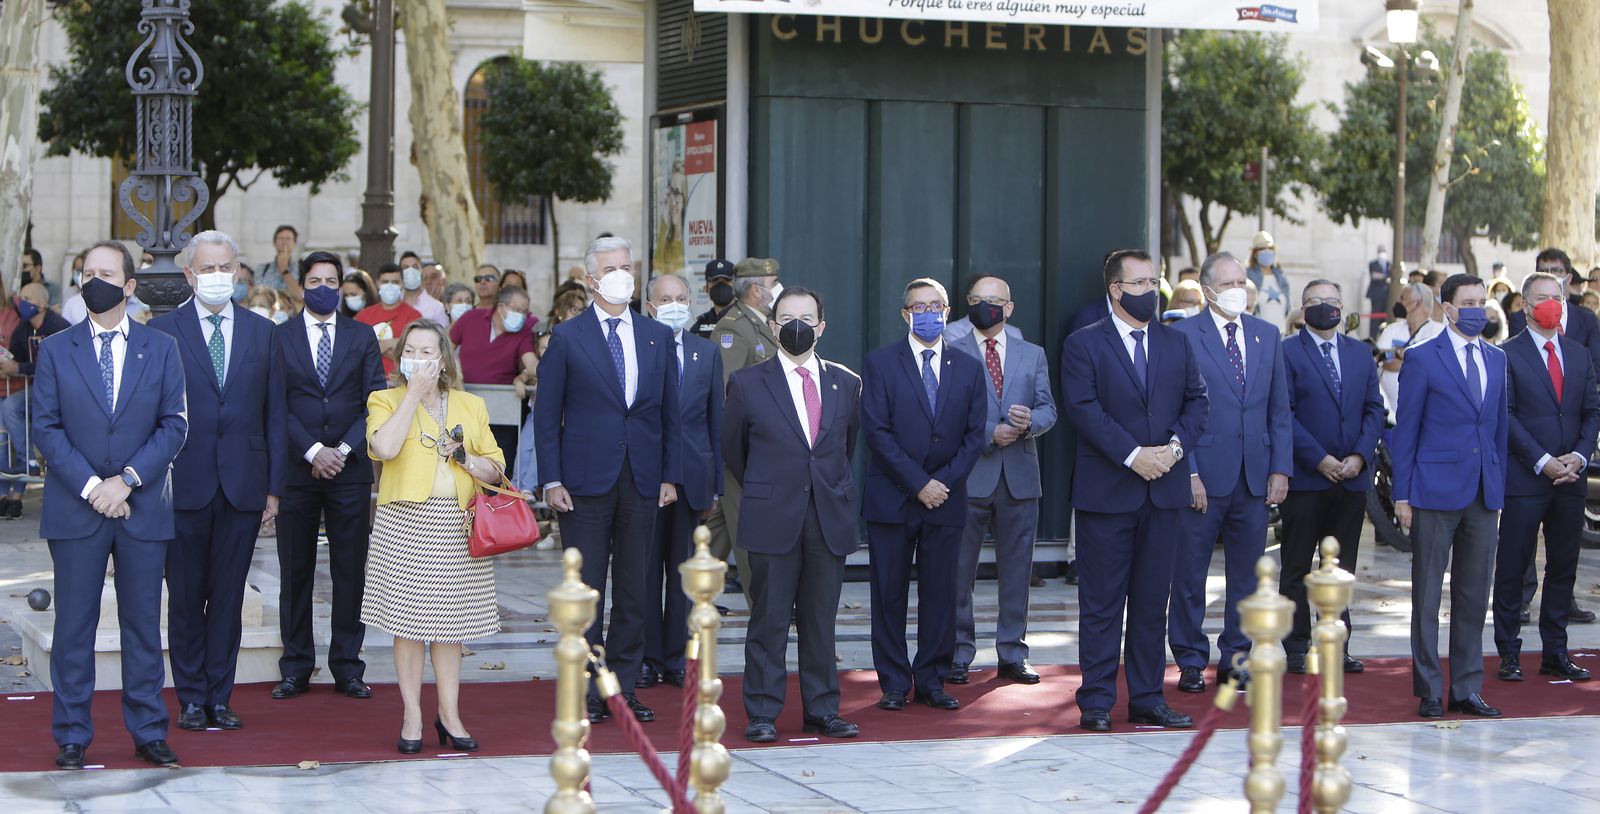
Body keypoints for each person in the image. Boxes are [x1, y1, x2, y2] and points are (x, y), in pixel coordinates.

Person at [32, 240, 188, 769]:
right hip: (76, 510)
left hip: (142, 505)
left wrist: (125, 481)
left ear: (128, 286)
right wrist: (93, 488)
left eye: (105, 273)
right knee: (74, 625)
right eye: (86, 272)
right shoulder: (55, 348)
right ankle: (72, 735)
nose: (93, 280)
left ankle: (148, 731)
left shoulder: (161, 347)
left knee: (142, 625)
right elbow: (46, 428)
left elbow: (174, 425)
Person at [533, 235, 680, 725]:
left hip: (642, 480)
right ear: (592, 278)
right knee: (589, 590)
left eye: (628, 266)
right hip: (582, 484)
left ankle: (623, 686)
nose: (624, 274)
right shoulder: (568, 338)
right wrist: (551, 479)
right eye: (613, 267)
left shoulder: (656, 337)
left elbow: (670, 415)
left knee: (637, 589)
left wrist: (670, 476)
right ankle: (589, 688)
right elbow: (546, 415)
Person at [1061, 249, 1207, 732]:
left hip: (1164, 493)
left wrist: (1173, 451)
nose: (1151, 290)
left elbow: (1197, 403)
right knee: (1101, 605)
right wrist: (1133, 455)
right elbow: (1084, 409)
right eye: (1140, 282)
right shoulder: (1084, 344)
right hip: (1108, 494)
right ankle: (1097, 702)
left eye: (1155, 280)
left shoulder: (1176, 342)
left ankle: (1147, 697)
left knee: (1151, 603)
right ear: (1116, 290)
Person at [149, 230, 286, 732]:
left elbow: (276, 414)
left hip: (244, 485)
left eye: (225, 267)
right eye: (207, 269)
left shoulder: (263, 332)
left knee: (229, 596)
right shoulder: (162, 331)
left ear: (239, 270)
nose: (217, 276)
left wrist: (274, 488)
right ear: (189, 275)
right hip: (182, 482)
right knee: (185, 597)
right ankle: (189, 697)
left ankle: (219, 696)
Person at [724, 286, 861, 742]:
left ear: (821, 326)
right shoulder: (746, 383)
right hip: (771, 515)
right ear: (773, 324)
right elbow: (735, 452)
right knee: (770, 619)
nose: (796, 326)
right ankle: (762, 712)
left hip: (827, 517)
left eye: (806, 317)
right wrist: (769, 490)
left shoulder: (847, 382)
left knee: (821, 619)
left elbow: (845, 447)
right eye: (787, 318)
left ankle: (823, 708)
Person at [365, 320, 505, 753]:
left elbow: (497, 468)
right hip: (403, 523)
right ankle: (412, 715)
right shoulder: (384, 399)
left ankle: (450, 714)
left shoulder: (470, 404)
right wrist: (411, 396)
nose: (420, 358)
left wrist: (464, 457)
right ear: (399, 357)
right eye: (412, 350)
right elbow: (383, 449)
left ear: (443, 359)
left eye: (428, 351)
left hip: (456, 524)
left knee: (450, 627)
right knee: (406, 626)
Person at [861, 278, 986, 713]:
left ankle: (932, 678)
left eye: (936, 305)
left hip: (947, 500)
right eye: (919, 306)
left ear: (948, 311)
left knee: (940, 594)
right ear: (905, 314)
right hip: (893, 499)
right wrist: (918, 483)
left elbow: (974, 435)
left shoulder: (969, 367)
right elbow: (876, 431)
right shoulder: (879, 364)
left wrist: (941, 484)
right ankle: (894, 682)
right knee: (888, 594)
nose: (928, 313)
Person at [1168, 252, 1291, 693]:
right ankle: (1188, 658)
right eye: (1228, 282)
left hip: (1254, 477)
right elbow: (1174, 413)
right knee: (1189, 574)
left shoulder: (1266, 335)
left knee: (1247, 576)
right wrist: (1190, 473)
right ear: (1206, 291)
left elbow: (1279, 409)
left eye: (1242, 279)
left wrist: (1281, 468)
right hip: (1202, 476)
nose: (1239, 287)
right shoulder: (1181, 335)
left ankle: (1235, 658)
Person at [271, 250, 387, 703]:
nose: (323, 288)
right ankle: (296, 666)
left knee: (349, 570)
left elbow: (374, 401)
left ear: (341, 286)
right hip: (297, 471)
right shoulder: (278, 338)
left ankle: (347, 666)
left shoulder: (361, 338)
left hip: (349, 468)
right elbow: (276, 403)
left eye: (331, 281)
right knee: (295, 570)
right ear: (301, 286)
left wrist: (340, 449)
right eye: (315, 280)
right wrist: (312, 450)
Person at [1391, 273, 1507, 719]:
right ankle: (1429, 688)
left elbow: (1497, 430)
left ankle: (1466, 686)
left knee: (1474, 594)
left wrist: (1499, 490)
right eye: (1469, 302)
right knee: (1426, 595)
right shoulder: (1423, 358)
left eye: (1483, 301)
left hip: (1482, 492)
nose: (1477, 308)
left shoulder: (1496, 359)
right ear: (1448, 306)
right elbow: (1407, 432)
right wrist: (1403, 496)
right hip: (1433, 491)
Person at [947, 275, 1056, 687]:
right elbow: (948, 413)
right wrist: (989, 431)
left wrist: (1030, 425)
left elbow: (1049, 408)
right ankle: (959, 652)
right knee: (959, 572)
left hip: (1020, 478)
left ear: (1009, 308)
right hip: (970, 476)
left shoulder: (1033, 354)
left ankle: (1013, 653)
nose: (986, 307)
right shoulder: (952, 352)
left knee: (1018, 572)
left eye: (994, 301)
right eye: (977, 300)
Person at [1494, 271, 1599, 686]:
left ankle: (1556, 651)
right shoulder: (1507, 354)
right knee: (1513, 566)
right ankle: (1508, 653)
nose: (1553, 304)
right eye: (1543, 297)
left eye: (1558, 296)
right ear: (1526, 305)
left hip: (1571, 480)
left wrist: (1576, 456)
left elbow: (1591, 410)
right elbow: (1506, 414)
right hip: (1526, 478)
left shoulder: (1578, 354)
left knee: (1563, 568)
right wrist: (1542, 460)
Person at [1278, 279, 1384, 675]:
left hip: (1352, 480)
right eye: (1316, 302)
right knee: (1296, 566)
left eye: (1333, 301)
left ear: (1344, 306)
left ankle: (1336, 643)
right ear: (1303, 309)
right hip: (1306, 479)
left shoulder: (1360, 353)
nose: (1326, 307)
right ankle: (1295, 645)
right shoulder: (1286, 352)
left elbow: (1375, 409)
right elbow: (1283, 413)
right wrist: (1319, 458)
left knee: (1341, 568)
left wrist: (1359, 454)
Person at [637, 274, 722, 690]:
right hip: (648, 478)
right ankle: (648, 656)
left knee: (685, 570)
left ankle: (677, 656)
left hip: (694, 477)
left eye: (681, 298)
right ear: (650, 305)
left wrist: (716, 483)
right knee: (647, 570)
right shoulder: (640, 349)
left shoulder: (705, 352)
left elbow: (715, 419)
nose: (674, 305)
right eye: (665, 299)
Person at [708, 257, 782, 593]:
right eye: (772, 284)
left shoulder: (761, 323)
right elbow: (727, 393)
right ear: (755, 290)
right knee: (750, 541)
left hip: (759, 451)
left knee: (714, 538)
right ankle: (765, 621)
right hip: (745, 452)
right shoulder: (733, 328)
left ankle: (678, 611)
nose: (776, 289)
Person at [450, 285, 537, 478]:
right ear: (501, 306)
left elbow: (531, 364)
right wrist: (455, 372)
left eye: (524, 311)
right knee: (464, 462)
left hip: (504, 413)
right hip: (464, 405)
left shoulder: (524, 332)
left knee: (498, 467)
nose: (521, 315)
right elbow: (445, 347)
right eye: (516, 309)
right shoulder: (470, 318)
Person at [2, 282, 71, 516]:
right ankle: (26, 464)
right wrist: (7, 366)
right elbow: (17, 359)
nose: (22, 302)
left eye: (28, 298)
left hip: (62, 393)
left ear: (42, 303)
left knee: (13, 407)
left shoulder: (58, 326)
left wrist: (19, 366)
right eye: (21, 298)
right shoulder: (23, 329)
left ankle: (28, 464)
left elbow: (59, 365)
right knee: (10, 408)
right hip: (37, 392)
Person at [1375, 282, 1443, 421]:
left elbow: (1430, 367)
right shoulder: (1392, 329)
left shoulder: (1438, 332)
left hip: (1423, 415)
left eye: (1403, 298)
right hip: (1389, 414)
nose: (1399, 302)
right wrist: (1410, 362)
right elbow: (1380, 359)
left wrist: (1399, 359)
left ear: (1417, 303)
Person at [358, 263, 424, 376]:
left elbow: (416, 351)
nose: (390, 286)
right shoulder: (364, 315)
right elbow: (357, 350)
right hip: (369, 381)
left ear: (402, 284)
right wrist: (396, 343)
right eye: (385, 282)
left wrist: (380, 345)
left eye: (395, 282)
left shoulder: (414, 316)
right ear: (377, 283)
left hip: (401, 381)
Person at [1247, 231, 1290, 330]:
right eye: (1262, 248)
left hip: (1281, 336)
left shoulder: (1281, 277)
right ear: (1255, 253)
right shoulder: (1248, 276)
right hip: (1259, 335)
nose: (1267, 251)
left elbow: (1288, 310)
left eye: (1270, 248)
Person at [689, 259, 736, 341]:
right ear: (706, 288)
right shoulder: (701, 325)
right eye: (715, 280)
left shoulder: (747, 320)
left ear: (736, 286)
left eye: (727, 280)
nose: (721, 284)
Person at [401, 259, 448, 324]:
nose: (428, 281)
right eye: (424, 278)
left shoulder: (447, 307)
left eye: (433, 277)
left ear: (443, 281)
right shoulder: (401, 301)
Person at [257, 225, 298, 291]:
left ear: (294, 243)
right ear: (274, 243)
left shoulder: (301, 269)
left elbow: (301, 295)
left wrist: (284, 269)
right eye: (281, 238)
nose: (284, 242)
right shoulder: (262, 269)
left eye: (288, 239)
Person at [1367, 246, 1392, 340]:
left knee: (1384, 319)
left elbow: (1391, 276)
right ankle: (1372, 339)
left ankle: (1383, 337)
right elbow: (1374, 276)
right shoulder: (1373, 263)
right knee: (1375, 319)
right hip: (1376, 295)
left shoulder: (1389, 264)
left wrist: (1382, 276)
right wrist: (1385, 277)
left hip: (1387, 296)